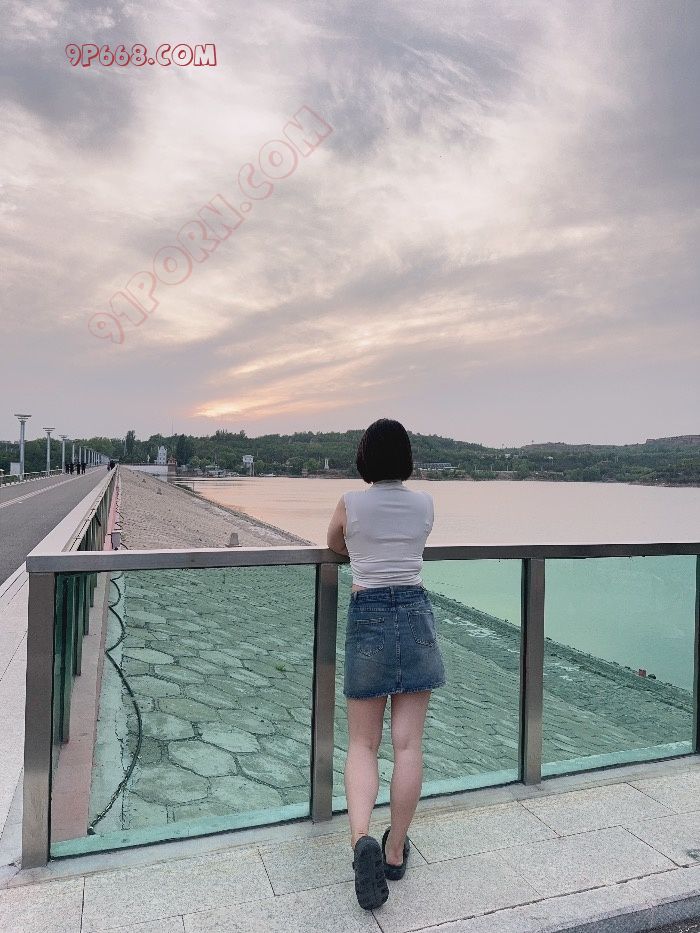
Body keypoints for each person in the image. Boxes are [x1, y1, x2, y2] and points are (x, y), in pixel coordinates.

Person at [326, 418, 445, 911]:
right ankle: (395, 850)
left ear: (365, 458)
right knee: (408, 744)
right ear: (407, 459)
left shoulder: (351, 503)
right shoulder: (425, 504)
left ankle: (361, 840)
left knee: (362, 743)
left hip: (369, 612)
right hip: (415, 612)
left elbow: (335, 545)